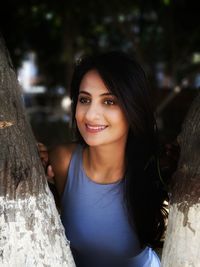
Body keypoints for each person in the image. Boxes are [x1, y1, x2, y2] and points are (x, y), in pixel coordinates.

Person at [39, 51, 169, 267]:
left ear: (132, 108)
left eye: (109, 101)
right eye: (84, 99)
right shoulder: (63, 161)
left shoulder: (155, 166)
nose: (90, 115)